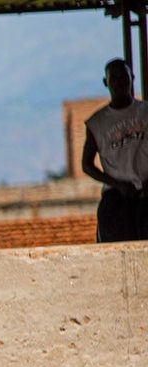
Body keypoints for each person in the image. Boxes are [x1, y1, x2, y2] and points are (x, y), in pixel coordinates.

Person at [83, 58, 148, 242]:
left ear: (132, 79)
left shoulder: (145, 111)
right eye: (114, 78)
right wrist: (117, 183)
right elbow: (87, 165)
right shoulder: (97, 123)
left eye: (124, 77)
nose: (119, 83)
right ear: (106, 82)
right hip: (117, 198)